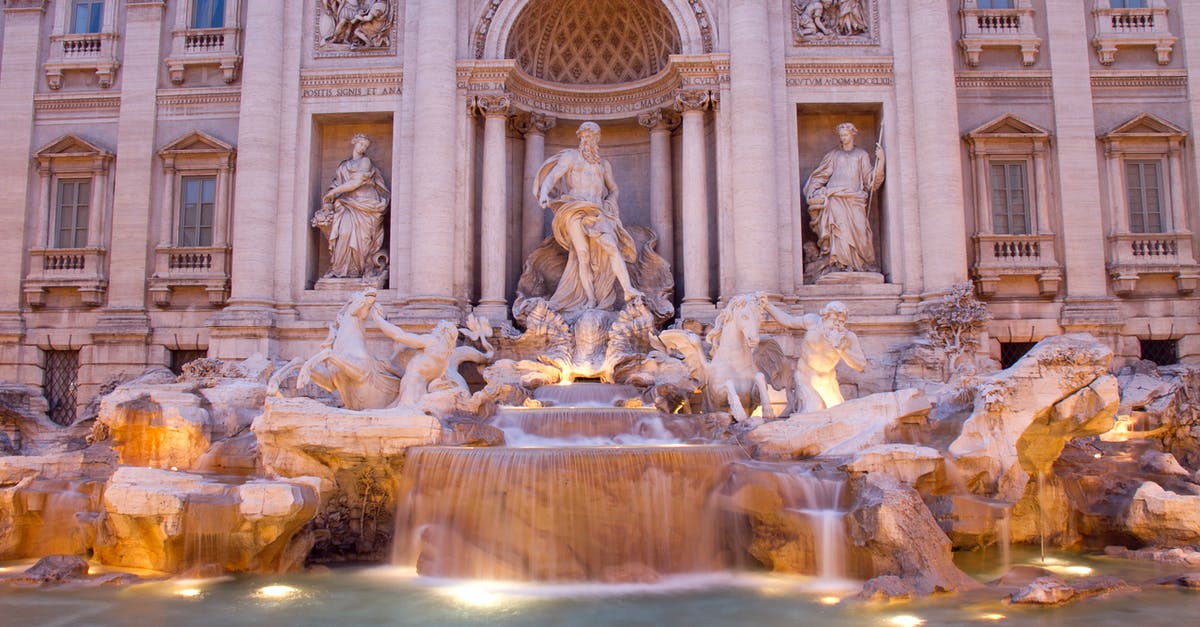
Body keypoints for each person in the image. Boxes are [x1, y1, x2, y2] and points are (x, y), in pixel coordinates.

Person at [534, 121, 644, 314]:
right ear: (580, 138)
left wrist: (611, 200)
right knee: (582, 255)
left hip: (597, 210)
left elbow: (614, 188)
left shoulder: (603, 165)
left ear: (597, 139)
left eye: (591, 136)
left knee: (611, 246)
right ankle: (591, 299)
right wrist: (544, 192)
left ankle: (627, 289)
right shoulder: (571, 157)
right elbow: (553, 176)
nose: (587, 140)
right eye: (584, 136)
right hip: (574, 208)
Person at [804, 122, 884, 273]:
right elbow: (820, 176)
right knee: (839, 232)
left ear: (853, 135)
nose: (843, 138)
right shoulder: (834, 155)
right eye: (841, 135)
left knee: (861, 231)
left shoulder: (861, 155)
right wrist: (814, 191)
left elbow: (870, 181)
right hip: (835, 198)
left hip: (855, 199)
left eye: (845, 135)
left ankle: (860, 264)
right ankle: (840, 264)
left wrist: (881, 161)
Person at [761, 299, 867, 412]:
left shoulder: (847, 337)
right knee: (815, 408)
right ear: (825, 317)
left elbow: (860, 365)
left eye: (841, 322)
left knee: (837, 412)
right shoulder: (812, 321)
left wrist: (842, 350)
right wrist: (767, 305)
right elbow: (788, 321)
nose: (837, 324)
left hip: (827, 380)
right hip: (805, 376)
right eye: (834, 320)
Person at [320, 133, 390, 278]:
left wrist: (333, 193)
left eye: (365, 146)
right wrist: (330, 199)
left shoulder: (365, 161)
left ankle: (357, 271)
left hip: (366, 204)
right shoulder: (344, 166)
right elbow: (337, 184)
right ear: (354, 143)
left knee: (362, 239)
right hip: (346, 205)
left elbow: (356, 183)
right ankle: (339, 269)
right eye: (361, 144)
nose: (363, 147)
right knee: (344, 234)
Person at [369, 308, 459, 408]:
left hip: (411, 387)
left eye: (437, 328)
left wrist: (378, 319)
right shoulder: (445, 361)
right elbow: (421, 373)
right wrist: (392, 369)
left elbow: (399, 335)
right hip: (421, 390)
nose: (434, 330)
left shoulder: (432, 342)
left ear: (442, 331)